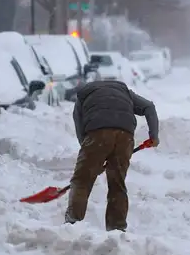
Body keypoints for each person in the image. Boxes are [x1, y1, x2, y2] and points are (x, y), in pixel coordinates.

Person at [65, 80, 159, 232]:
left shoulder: (83, 96)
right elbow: (149, 106)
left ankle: (72, 224)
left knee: (81, 181)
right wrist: (154, 135)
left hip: (97, 133)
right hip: (125, 135)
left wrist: (93, 158)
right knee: (117, 183)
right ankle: (117, 228)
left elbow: (80, 129)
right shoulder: (125, 92)